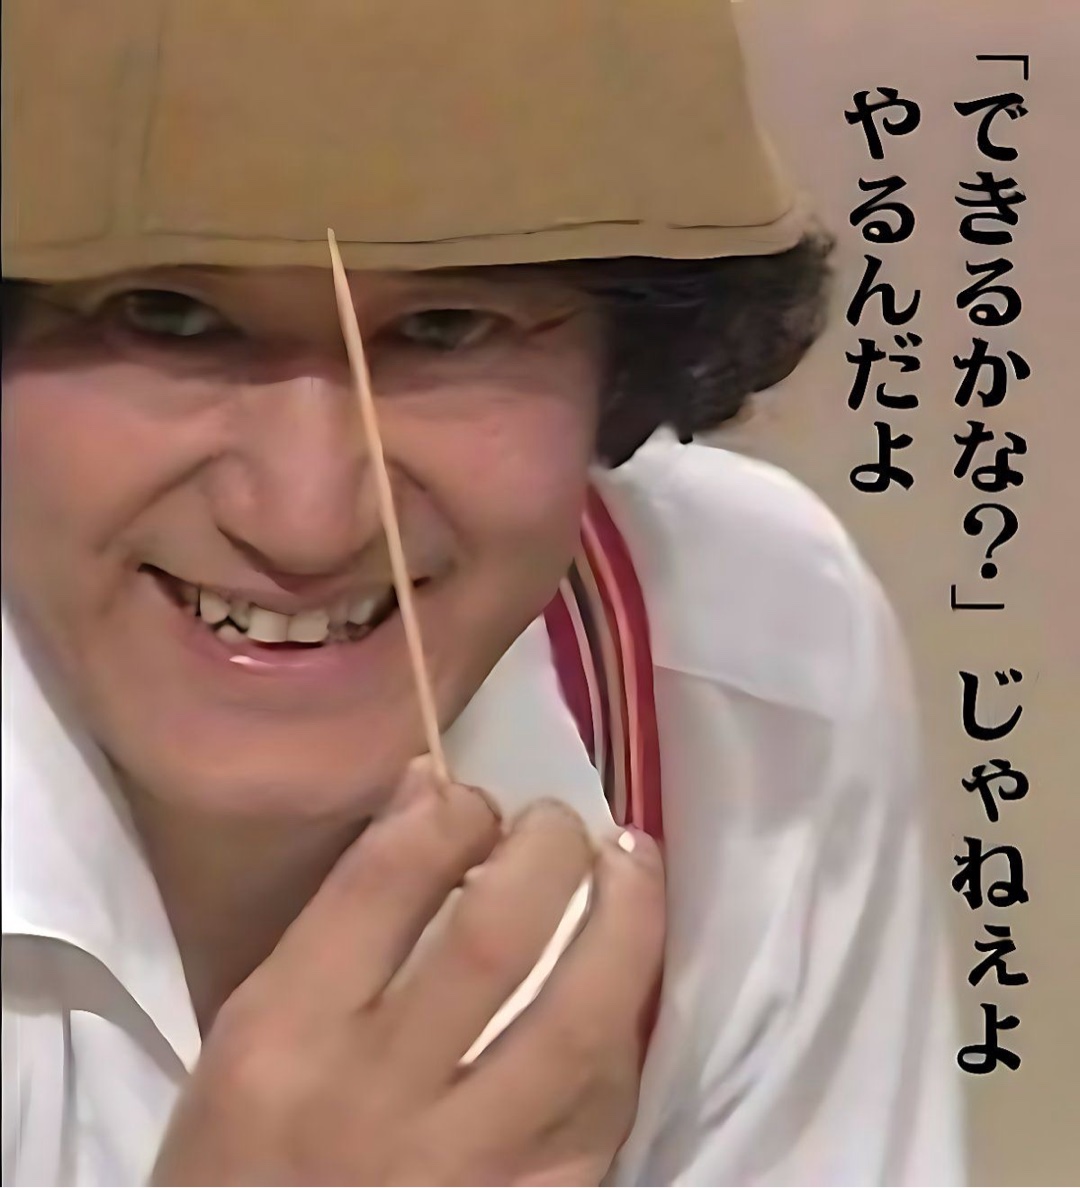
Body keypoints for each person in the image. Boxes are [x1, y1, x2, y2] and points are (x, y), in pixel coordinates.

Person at [1, 2, 965, 1184]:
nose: (306, 520)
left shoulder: (750, 656)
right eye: (168, 315)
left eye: (448, 326)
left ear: (627, 359)